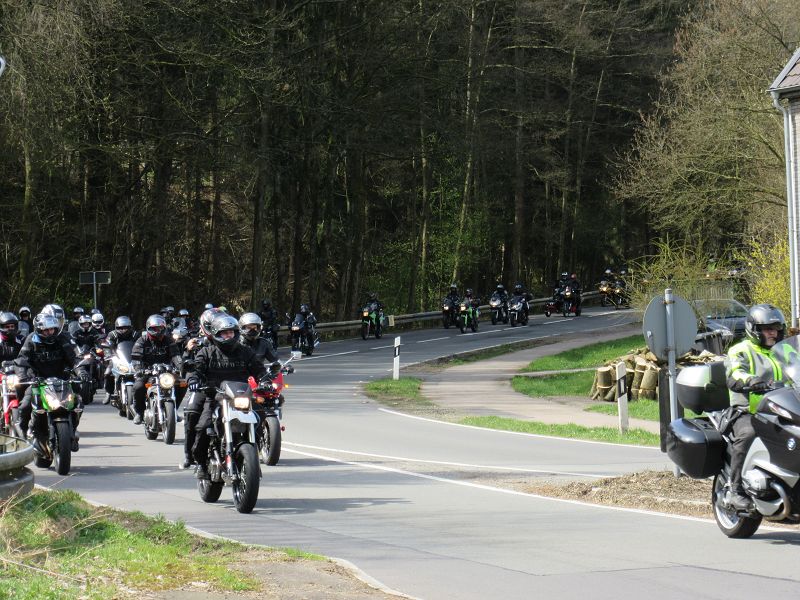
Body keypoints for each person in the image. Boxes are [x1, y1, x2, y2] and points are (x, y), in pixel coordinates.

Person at [187, 313, 268, 479]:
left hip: (240, 397)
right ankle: (201, 463)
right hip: (216, 397)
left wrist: (265, 380)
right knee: (203, 426)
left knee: (260, 415)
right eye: (225, 333)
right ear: (216, 334)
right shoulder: (207, 352)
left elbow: (259, 369)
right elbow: (197, 369)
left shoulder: (245, 351)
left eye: (231, 332)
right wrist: (194, 379)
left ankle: (253, 453)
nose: (229, 335)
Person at [724, 304, 786, 511]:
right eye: (768, 328)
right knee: (749, 434)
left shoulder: (785, 351)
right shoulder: (740, 350)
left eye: (776, 328)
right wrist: (752, 381)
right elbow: (735, 373)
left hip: (780, 410)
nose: (773, 332)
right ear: (754, 329)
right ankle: (736, 490)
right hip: (748, 411)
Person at [15, 313, 89, 450]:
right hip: (38, 381)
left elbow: (75, 358)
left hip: (62, 380)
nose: (50, 333)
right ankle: (24, 430)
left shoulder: (63, 338)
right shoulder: (31, 340)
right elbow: (21, 362)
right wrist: (24, 377)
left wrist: (81, 372)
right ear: (39, 329)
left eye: (52, 329)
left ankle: (72, 430)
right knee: (25, 405)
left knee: (78, 402)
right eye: (46, 330)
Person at [130, 315, 182, 425]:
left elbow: (176, 355)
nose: (158, 331)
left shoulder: (168, 340)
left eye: (160, 328)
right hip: (147, 372)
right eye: (154, 328)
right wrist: (139, 369)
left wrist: (181, 366)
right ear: (149, 328)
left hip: (166, 372)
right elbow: (136, 357)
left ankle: (173, 409)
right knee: (138, 387)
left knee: (182, 384)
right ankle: (139, 412)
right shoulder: (142, 340)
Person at [102, 316, 140, 404]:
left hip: (133, 358)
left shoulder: (135, 335)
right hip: (117, 358)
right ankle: (109, 392)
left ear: (130, 327)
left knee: (142, 374)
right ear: (116, 327)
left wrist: (141, 354)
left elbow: (141, 345)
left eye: (126, 328)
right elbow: (107, 346)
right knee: (107, 373)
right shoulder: (112, 335)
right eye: (121, 328)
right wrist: (109, 355)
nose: (124, 330)